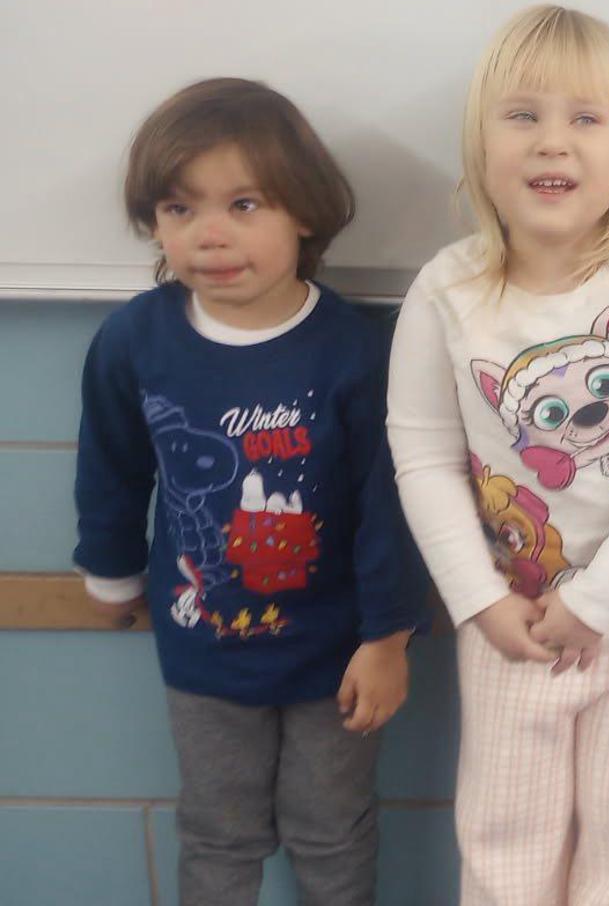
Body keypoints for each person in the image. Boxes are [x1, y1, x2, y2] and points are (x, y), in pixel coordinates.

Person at [386, 5, 609, 905]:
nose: (552, 145)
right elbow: (421, 458)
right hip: (506, 617)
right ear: (480, 143)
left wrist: (598, 598)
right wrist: (477, 600)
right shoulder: (444, 291)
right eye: (522, 115)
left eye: (586, 119)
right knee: (506, 832)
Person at [75, 77, 424, 905]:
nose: (208, 235)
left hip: (334, 657)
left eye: (243, 204)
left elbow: (388, 503)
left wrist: (388, 640)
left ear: (302, 212)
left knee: (331, 831)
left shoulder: (351, 349)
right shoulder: (136, 340)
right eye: (178, 208)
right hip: (205, 655)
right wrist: (111, 571)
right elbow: (112, 464)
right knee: (219, 834)